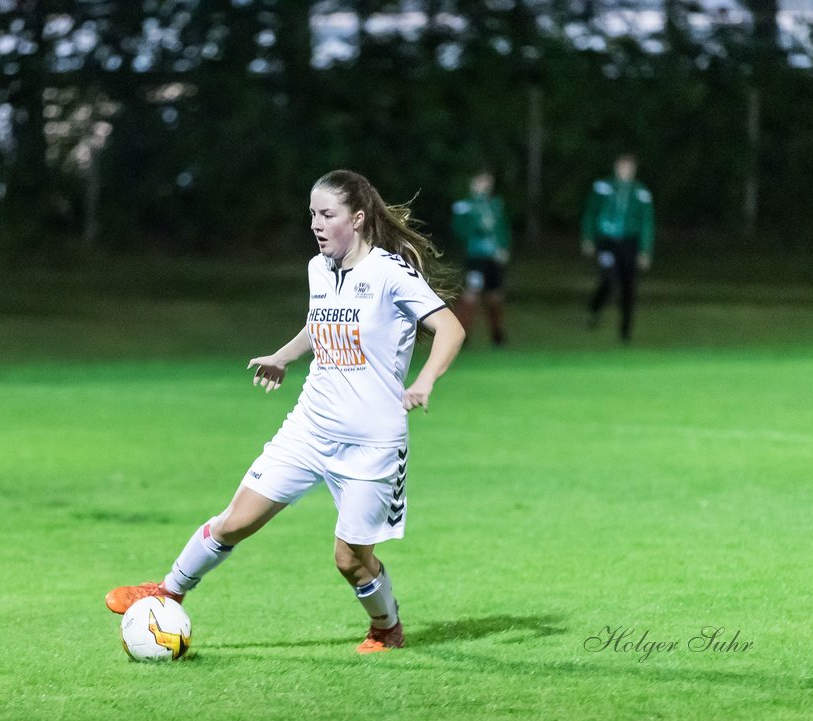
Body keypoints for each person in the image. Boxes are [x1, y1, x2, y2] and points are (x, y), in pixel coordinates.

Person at [105, 169, 466, 654]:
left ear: (357, 219)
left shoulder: (389, 273)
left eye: (327, 214)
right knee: (235, 520)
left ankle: (386, 627)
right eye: (312, 214)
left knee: (350, 559)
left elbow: (450, 329)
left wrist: (424, 380)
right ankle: (167, 591)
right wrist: (284, 356)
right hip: (310, 427)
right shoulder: (320, 268)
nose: (316, 224)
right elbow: (320, 323)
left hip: (371, 443)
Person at [580, 153, 655, 342]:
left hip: (629, 243)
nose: (625, 170)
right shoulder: (603, 187)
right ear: (616, 167)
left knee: (629, 286)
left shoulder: (641, 192)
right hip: (608, 241)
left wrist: (645, 251)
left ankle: (625, 331)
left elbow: (647, 222)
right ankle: (594, 309)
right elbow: (591, 212)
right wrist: (588, 237)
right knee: (608, 278)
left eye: (629, 167)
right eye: (622, 166)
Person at [451, 170, 511, 346]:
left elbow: (503, 228)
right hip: (476, 257)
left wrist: (503, 247)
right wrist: (474, 229)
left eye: (488, 182)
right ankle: (460, 335)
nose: (485, 185)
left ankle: (497, 334)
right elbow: (459, 229)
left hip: (493, 257)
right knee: (472, 293)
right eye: (481, 182)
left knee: (495, 296)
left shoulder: (495, 205)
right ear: (473, 183)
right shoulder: (465, 205)